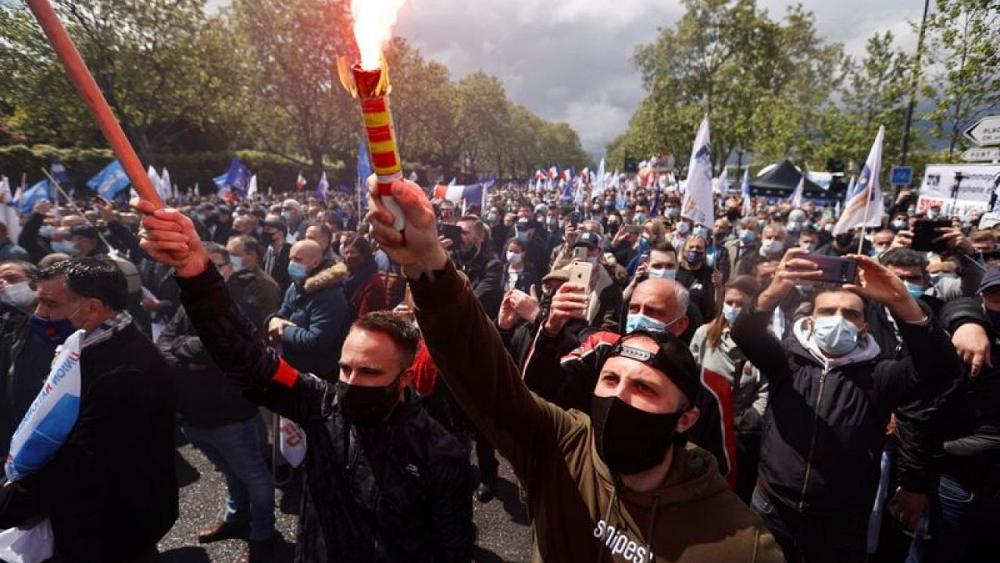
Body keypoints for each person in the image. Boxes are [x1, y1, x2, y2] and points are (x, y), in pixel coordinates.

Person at [354, 178, 782, 562]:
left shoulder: (739, 545)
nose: (618, 396)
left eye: (644, 389)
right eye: (610, 379)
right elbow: (485, 375)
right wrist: (427, 263)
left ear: (686, 418)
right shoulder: (563, 445)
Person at [137, 200, 476, 561]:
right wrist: (197, 273)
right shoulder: (322, 406)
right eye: (346, 368)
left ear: (404, 377)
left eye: (371, 372)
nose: (352, 381)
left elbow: (452, 547)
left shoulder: (439, 452)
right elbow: (250, 360)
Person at [731, 248, 961, 563]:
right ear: (810, 321)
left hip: (840, 522)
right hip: (772, 507)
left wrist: (900, 301)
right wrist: (775, 288)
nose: (838, 320)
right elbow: (744, 333)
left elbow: (940, 368)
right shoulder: (786, 361)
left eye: (851, 314)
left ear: (864, 327)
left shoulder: (880, 374)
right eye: (827, 312)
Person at [0, 258, 177, 562]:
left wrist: (14, 504)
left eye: (50, 303)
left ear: (93, 308)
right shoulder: (89, 344)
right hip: (89, 514)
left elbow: (83, 461)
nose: (40, 313)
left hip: (115, 525)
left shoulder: (125, 371)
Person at [158, 244, 276, 563]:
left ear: (226, 268)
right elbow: (164, 345)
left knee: (256, 479)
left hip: (231, 412)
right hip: (194, 415)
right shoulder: (188, 304)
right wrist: (188, 356)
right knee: (229, 472)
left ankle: (262, 537)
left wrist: (190, 352)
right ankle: (236, 518)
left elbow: (221, 349)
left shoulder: (242, 305)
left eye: (215, 265)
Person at [689, 275, 765, 502]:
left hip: (741, 436)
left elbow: (766, 391)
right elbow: (692, 374)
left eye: (741, 304)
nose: (733, 309)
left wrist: (744, 422)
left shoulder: (764, 343)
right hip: (705, 428)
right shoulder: (704, 334)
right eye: (729, 303)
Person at [267, 240, 350, 378]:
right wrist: (272, 320)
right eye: (291, 259)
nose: (292, 264)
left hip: (313, 373)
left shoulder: (330, 295)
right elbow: (283, 313)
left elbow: (316, 340)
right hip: (288, 363)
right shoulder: (296, 286)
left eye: (298, 259)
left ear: (315, 263)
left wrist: (283, 330)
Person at [0, 260, 57, 457]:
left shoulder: (59, 322)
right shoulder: (14, 323)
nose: (5, 286)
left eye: (12, 279)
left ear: (35, 283)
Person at [454, 215, 504, 319]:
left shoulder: (493, 266)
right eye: (457, 232)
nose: (459, 237)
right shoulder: (450, 260)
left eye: (464, 233)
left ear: (480, 236)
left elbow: (474, 300)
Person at [227, 235, 283, 320]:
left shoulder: (265, 285)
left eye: (234, 255)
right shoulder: (230, 277)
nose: (230, 259)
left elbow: (267, 318)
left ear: (252, 256)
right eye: (227, 254)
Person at [342, 236, 388, 319]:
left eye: (353, 252)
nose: (348, 256)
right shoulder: (346, 277)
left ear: (364, 255)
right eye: (346, 253)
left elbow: (366, 319)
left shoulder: (372, 283)